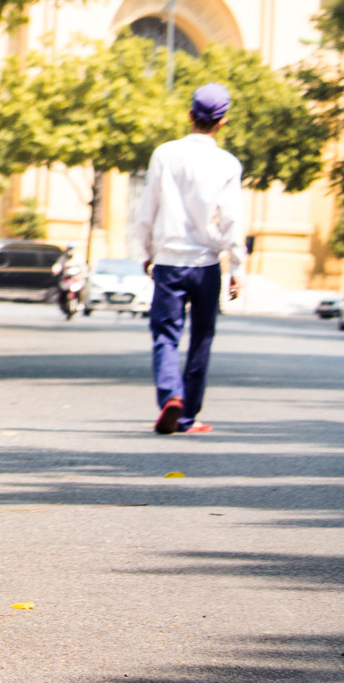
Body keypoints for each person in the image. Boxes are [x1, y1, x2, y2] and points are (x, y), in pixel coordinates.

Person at [129, 82, 246, 435]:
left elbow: (147, 207)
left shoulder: (165, 154)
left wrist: (144, 252)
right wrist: (238, 267)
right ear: (222, 122)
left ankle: (170, 397)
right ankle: (186, 416)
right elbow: (232, 219)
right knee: (202, 337)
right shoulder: (228, 163)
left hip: (168, 261)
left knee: (165, 334)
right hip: (207, 264)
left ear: (189, 115)